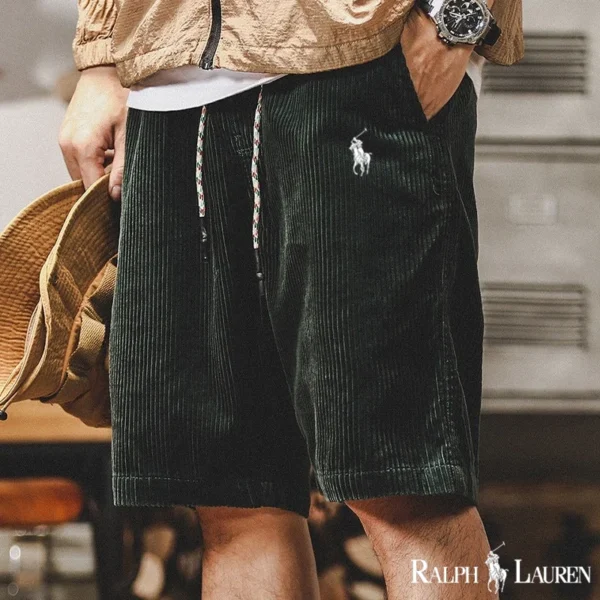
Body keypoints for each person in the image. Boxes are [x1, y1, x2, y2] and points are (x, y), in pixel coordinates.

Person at [59, 1, 523, 598]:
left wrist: (457, 19)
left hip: (353, 64)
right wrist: (100, 59)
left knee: (405, 488)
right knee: (232, 502)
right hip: (165, 83)